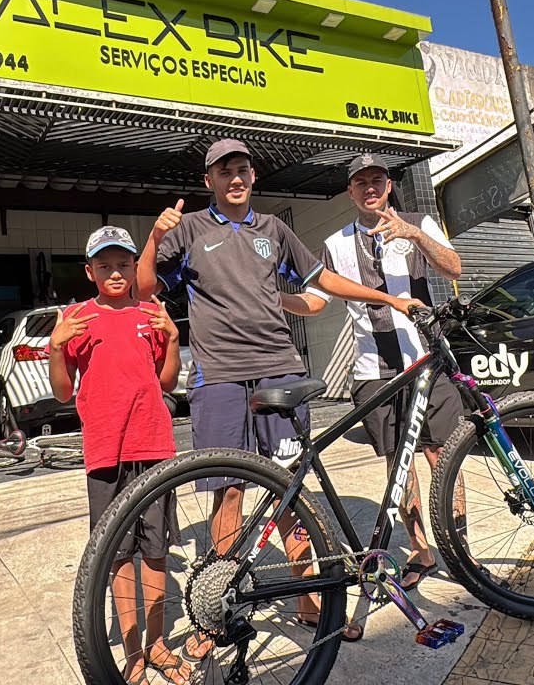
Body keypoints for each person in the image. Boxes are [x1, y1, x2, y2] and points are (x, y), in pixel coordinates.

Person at [135, 139, 424, 653]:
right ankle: (220, 604)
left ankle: (308, 600)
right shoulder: (191, 230)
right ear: (210, 181)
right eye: (225, 171)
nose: (236, 178)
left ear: (253, 176)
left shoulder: (274, 229)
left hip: (280, 370)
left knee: (290, 484)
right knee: (229, 491)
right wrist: (154, 241)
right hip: (220, 376)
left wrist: (387, 298)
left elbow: (323, 280)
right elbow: (142, 288)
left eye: (244, 169)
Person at [281, 153, 465, 591]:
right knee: (398, 463)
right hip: (373, 372)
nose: (369, 188)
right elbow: (316, 301)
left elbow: (454, 267)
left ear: (389, 185)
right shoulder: (336, 243)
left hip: (427, 361)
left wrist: (414, 235)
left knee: (446, 457)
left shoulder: (419, 221)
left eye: (377, 180)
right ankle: (422, 552)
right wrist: (272, 298)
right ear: (350, 191)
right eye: (360, 181)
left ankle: (459, 549)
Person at [48, 226, 189, 685]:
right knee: (116, 555)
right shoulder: (77, 319)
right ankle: (132, 653)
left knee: (155, 551)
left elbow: (168, 383)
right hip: (105, 452)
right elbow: (64, 392)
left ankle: (158, 644)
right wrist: (55, 347)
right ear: (89, 271)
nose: (115, 272)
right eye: (104, 265)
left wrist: (171, 341)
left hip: (154, 446)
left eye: (124, 264)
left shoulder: (151, 313)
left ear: (134, 268)